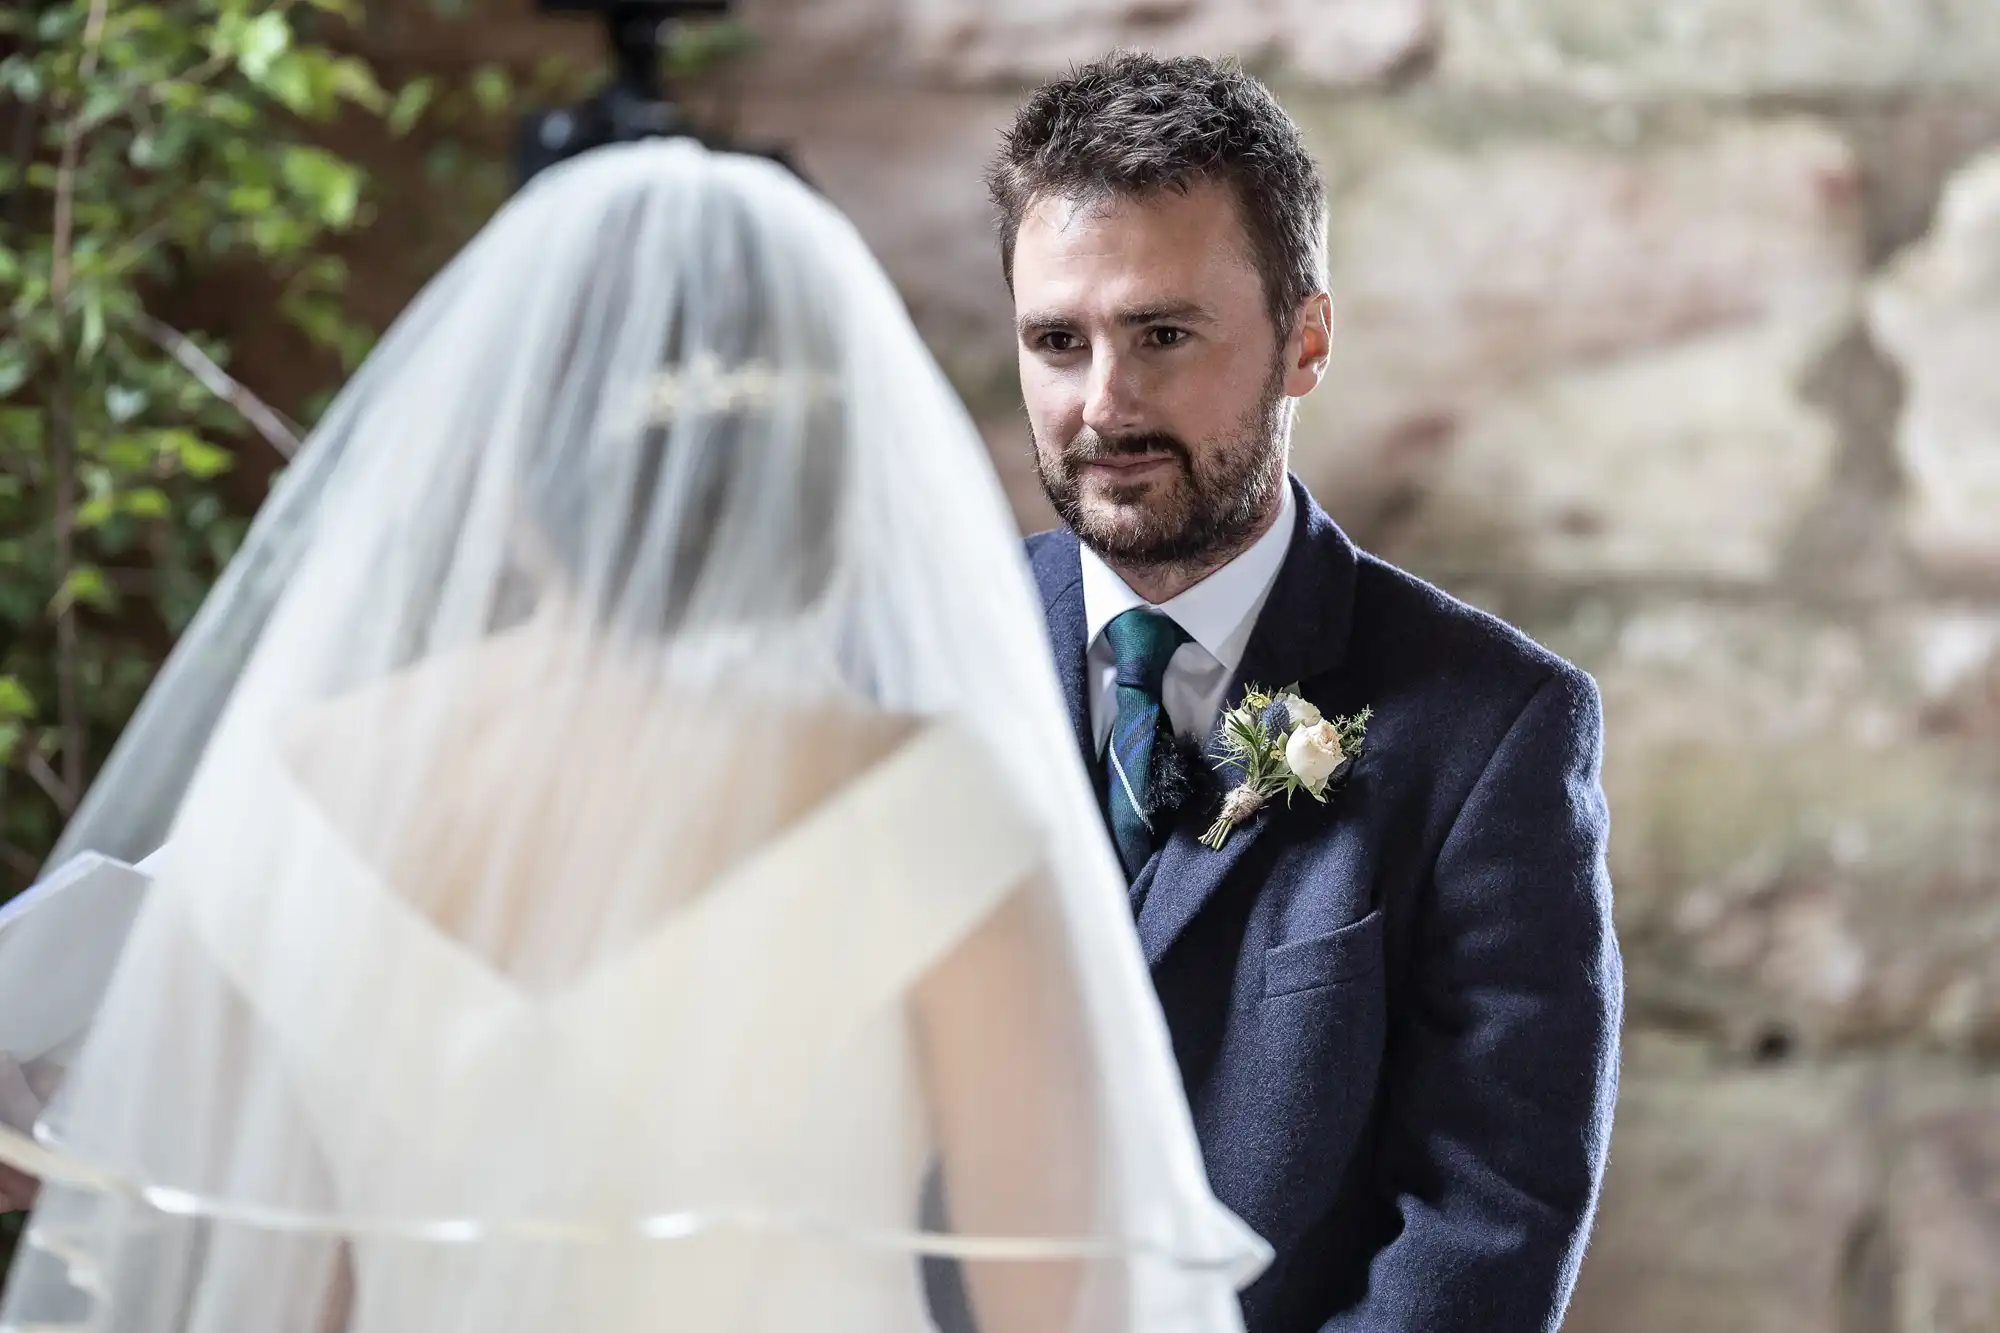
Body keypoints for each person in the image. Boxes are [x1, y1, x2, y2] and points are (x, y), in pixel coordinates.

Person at [0, 140, 1270, 1332]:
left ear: (503, 466)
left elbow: (286, 1291)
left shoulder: (300, 791)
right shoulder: (926, 804)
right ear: (840, 479)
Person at [992, 53, 1623, 1333]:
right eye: (1058, 342)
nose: (1102, 404)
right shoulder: (930, 667)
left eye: (1162, 334)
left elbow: (1486, 1223)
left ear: (1304, 341)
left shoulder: (1496, 732)